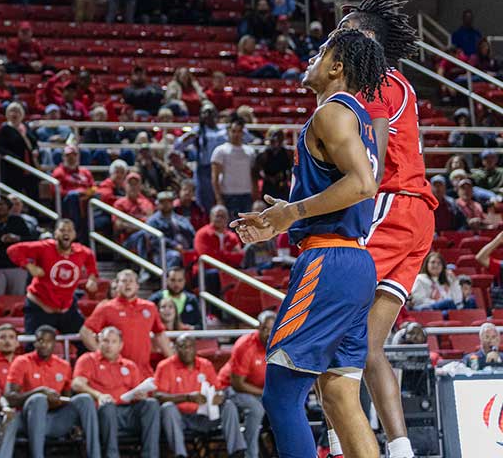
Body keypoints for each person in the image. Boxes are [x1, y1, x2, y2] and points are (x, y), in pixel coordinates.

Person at [232, 28, 388, 458]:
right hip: (354, 262)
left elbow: (362, 185)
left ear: (337, 66)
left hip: (329, 262)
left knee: (281, 396)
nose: (311, 57)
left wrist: (294, 213)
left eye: (321, 52)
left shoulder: (332, 113)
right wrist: (280, 221)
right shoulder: (354, 117)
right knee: (340, 396)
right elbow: (346, 189)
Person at [332, 0, 433, 458]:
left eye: (347, 28)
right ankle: (400, 449)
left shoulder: (374, 79)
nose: (338, 35)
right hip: (417, 215)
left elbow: (369, 163)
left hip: (392, 205)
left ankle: (338, 443)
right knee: (369, 347)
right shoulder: (400, 83)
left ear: (368, 39)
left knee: (326, 326)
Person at [5, 324, 101, 458]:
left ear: (54, 343)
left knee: (85, 399)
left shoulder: (63, 365)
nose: (44, 344)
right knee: (39, 399)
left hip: (56, 420)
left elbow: (67, 399)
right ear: (35, 343)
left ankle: (95, 455)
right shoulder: (21, 362)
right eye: (40, 340)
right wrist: (39, 392)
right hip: (29, 420)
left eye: (48, 341)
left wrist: (56, 400)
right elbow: (10, 398)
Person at [73, 326, 160, 458]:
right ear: (98, 341)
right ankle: (111, 455)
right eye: (106, 341)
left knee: (151, 404)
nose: (109, 346)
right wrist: (99, 395)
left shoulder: (129, 365)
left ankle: (151, 455)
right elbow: (77, 383)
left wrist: (141, 396)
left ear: (120, 345)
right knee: (108, 407)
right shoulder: (87, 360)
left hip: (127, 412)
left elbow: (137, 390)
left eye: (114, 342)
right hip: (102, 413)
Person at [153, 334, 245, 458]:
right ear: (175, 349)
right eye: (182, 347)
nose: (186, 350)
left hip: (205, 415)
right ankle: (180, 455)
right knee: (167, 408)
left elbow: (218, 389)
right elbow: (158, 396)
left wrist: (219, 396)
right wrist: (187, 397)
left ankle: (237, 452)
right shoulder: (165, 366)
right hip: (180, 418)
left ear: (196, 349)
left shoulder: (205, 365)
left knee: (228, 405)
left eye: (190, 347)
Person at [6, 218, 99, 334]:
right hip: (39, 305)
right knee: (34, 345)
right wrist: (29, 266)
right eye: (62, 230)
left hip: (66, 308)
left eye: (70, 230)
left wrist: (92, 278)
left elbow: (91, 260)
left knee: (84, 340)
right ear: (55, 233)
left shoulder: (82, 251)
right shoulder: (44, 247)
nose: (66, 233)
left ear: (74, 234)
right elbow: (13, 250)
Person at [81, 269, 172, 376]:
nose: (127, 284)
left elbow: (160, 334)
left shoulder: (150, 307)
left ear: (137, 286)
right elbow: (85, 331)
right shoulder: (106, 308)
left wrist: (172, 359)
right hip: (115, 371)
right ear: (117, 285)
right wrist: (101, 353)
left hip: (143, 371)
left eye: (131, 281)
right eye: (124, 281)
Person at [224, 310, 274, 458]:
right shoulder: (245, 345)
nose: (267, 333)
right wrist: (266, 393)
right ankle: (250, 455)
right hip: (230, 389)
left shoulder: (280, 344)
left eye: (272, 329)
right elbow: (237, 384)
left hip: (259, 390)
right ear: (258, 327)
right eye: (264, 328)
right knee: (256, 409)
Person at [0, 194, 37, 301]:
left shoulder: (18, 221)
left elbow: (30, 240)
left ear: (8, 206)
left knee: (17, 299)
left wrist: (17, 238)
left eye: (2, 204)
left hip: (16, 267)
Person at [211, 119, 258, 215]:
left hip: (246, 195)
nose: (236, 134)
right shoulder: (220, 151)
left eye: (239, 131)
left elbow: (253, 175)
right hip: (228, 195)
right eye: (233, 131)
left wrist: (255, 194)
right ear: (228, 132)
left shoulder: (250, 151)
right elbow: (215, 177)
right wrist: (219, 198)